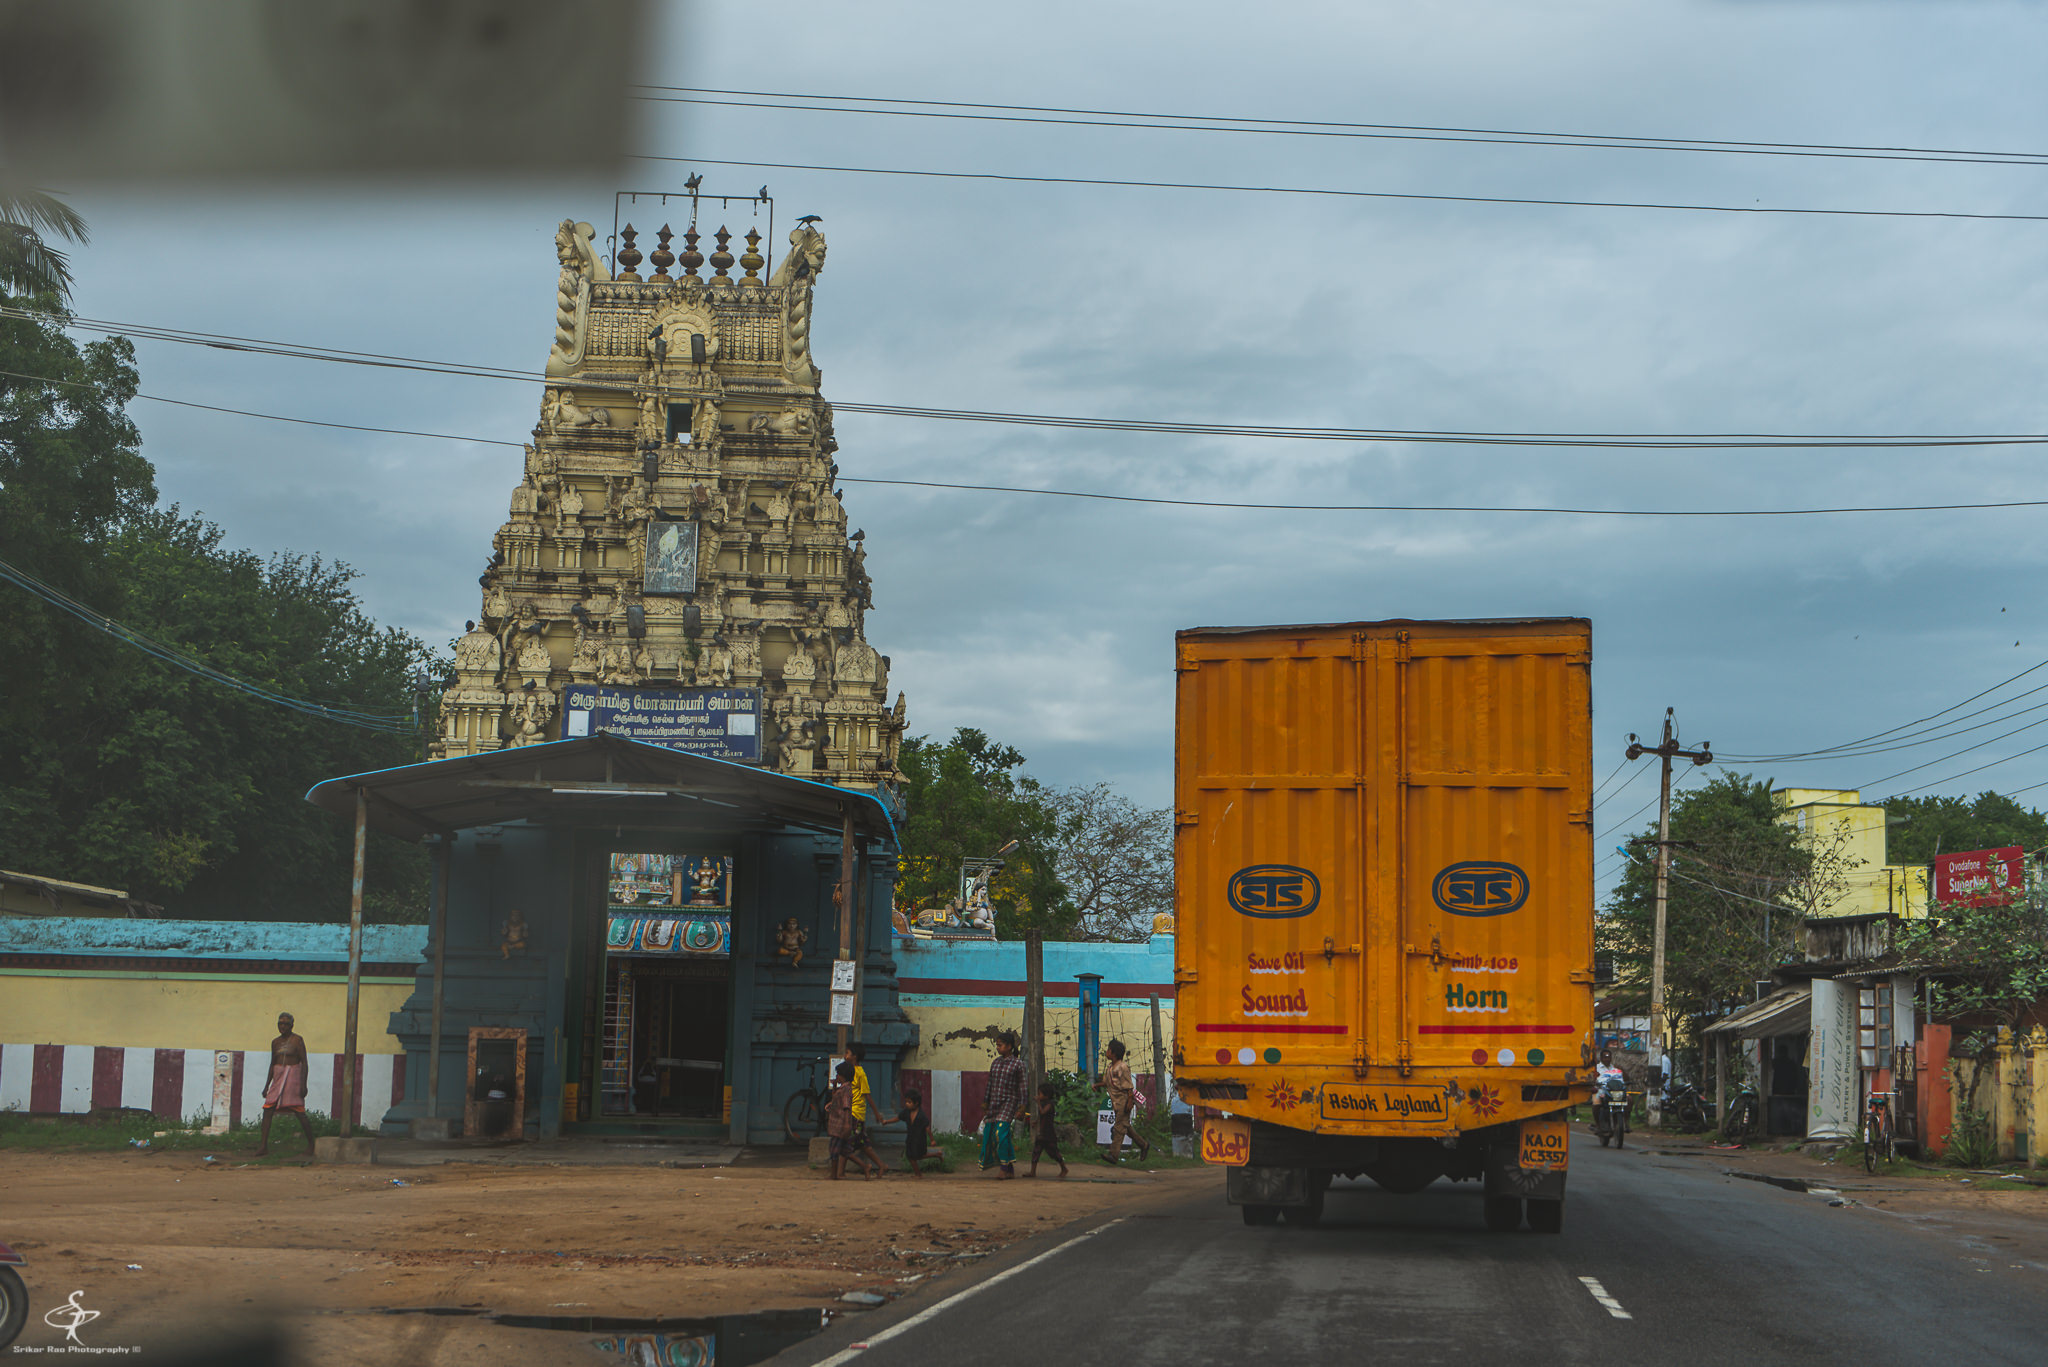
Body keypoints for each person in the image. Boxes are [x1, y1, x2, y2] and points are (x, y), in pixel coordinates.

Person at [253, 1012, 314, 1158]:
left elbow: (304, 1063)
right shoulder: (275, 1042)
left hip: (293, 1078)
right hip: (278, 1077)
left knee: (299, 1112)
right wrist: (267, 1085)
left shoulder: (297, 1040)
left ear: (292, 1025)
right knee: (268, 1109)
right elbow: (272, 1064)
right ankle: (263, 1146)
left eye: (286, 1024)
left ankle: (312, 1144)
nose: (283, 1026)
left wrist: (303, 1085)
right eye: (280, 1023)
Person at [980, 1031, 1025, 1178]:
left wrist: (1022, 1107)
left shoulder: (1018, 1064)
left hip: (1009, 1102)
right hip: (994, 1103)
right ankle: (1009, 1166)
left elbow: (1023, 1087)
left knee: (1001, 1132)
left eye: (1000, 1045)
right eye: (997, 1045)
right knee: (992, 1134)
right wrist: (985, 1102)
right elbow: (990, 1084)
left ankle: (1004, 1168)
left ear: (1009, 1046)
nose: (997, 1048)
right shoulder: (996, 1063)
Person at [1101, 1038, 1151, 1165]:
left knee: (1119, 1128)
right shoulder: (1110, 1068)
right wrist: (1097, 1085)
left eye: (1108, 1049)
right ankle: (1143, 1145)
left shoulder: (1122, 1067)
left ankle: (1114, 1155)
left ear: (1113, 1053)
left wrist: (1129, 1101)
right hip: (1116, 1102)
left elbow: (1129, 1087)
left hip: (1123, 1101)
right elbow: (1106, 1082)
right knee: (1125, 1127)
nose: (1106, 1052)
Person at [842, 1042, 885, 1178]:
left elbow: (867, 1095)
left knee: (845, 1143)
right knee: (863, 1144)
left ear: (854, 1056)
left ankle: (843, 1172)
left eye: (847, 1053)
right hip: (851, 1111)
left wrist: (877, 1114)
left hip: (855, 1113)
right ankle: (881, 1165)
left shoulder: (860, 1074)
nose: (845, 1055)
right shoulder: (849, 1070)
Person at [885, 1087, 933, 1176]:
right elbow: (897, 1118)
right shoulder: (906, 1112)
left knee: (917, 1156)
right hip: (910, 1139)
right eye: (906, 1102)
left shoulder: (921, 1116)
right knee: (911, 1156)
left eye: (909, 1102)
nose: (907, 1104)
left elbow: (927, 1128)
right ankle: (919, 1173)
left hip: (920, 1140)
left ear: (916, 1103)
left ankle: (919, 1173)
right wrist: (887, 1121)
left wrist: (932, 1140)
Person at [1027, 1081, 1068, 1179]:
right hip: (1041, 1133)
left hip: (1048, 1134)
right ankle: (1032, 1172)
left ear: (1046, 1095)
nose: (1038, 1096)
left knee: (1054, 1152)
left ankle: (1064, 1168)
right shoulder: (1044, 1103)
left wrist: (1038, 1103)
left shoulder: (1049, 1104)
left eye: (1039, 1094)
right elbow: (1041, 1116)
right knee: (1036, 1152)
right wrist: (1036, 1122)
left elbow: (1043, 1112)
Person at [825, 1061, 858, 1180]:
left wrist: (847, 1124)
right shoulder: (842, 1089)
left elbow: (846, 1107)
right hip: (837, 1125)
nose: (836, 1077)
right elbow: (836, 1099)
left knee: (834, 1149)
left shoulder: (846, 1090)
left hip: (840, 1125)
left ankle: (833, 1174)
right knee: (845, 1151)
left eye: (838, 1074)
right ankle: (865, 1167)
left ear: (842, 1075)